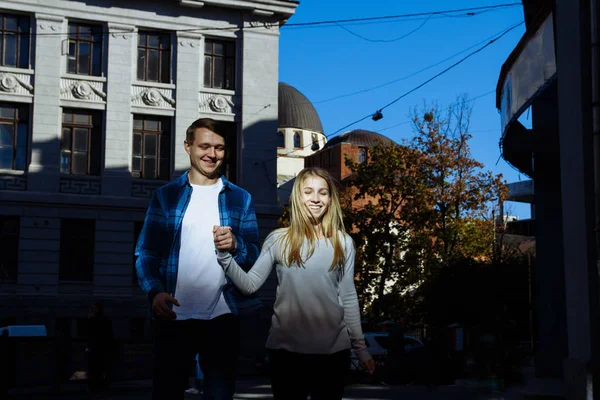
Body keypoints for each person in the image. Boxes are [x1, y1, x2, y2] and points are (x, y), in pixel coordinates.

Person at [214, 167, 375, 400]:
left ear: (330, 200)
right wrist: (224, 256)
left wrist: (361, 349)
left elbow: (348, 296)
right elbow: (249, 285)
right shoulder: (279, 239)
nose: (316, 199)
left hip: (333, 354)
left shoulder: (343, 242)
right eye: (308, 191)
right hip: (286, 354)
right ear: (298, 197)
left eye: (323, 193)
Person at [135, 117, 261, 400]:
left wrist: (237, 244)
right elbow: (146, 253)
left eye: (219, 147)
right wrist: (154, 292)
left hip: (222, 315)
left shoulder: (241, 199)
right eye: (204, 145)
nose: (212, 154)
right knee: (166, 394)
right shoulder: (165, 197)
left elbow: (254, 255)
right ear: (187, 147)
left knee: (219, 395)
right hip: (172, 315)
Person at [86, 302, 115, 395]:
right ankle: (101, 387)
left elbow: (89, 334)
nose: (92, 310)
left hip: (96, 348)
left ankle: (95, 387)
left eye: (94, 308)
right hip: (103, 349)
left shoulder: (93, 320)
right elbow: (110, 335)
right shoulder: (106, 320)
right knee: (101, 368)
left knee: (94, 369)